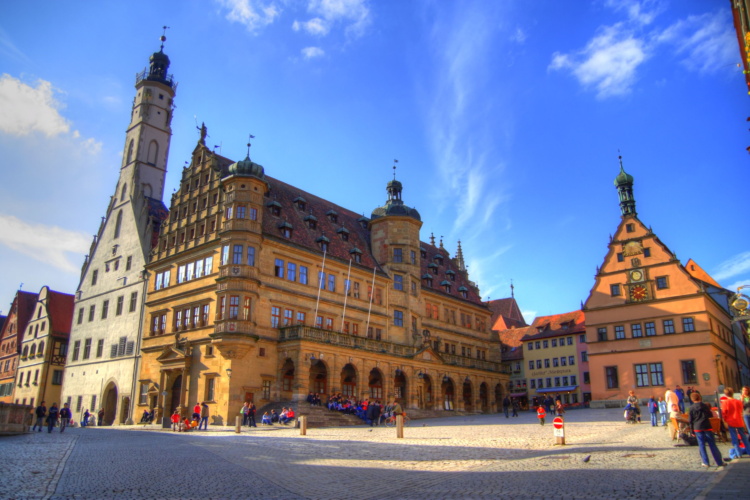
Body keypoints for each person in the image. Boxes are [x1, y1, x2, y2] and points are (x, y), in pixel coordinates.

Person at [689, 392, 725, 468]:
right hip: (707, 426)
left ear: (692, 399)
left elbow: (690, 420)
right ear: (699, 397)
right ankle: (719, 462)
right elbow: (710, 415)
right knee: (712, 444)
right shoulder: (705, 406)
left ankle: (705, 462)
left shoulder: (691, 408)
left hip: (697, 427)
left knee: (701, 445)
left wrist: (692, 431)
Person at [721, 387, 750, 459]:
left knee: (734, 438)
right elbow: (741, 411)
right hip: (739, 421)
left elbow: (724, 413)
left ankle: (738, 453)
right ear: (732, 393)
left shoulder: (725, 402)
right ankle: (749, 451)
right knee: (744, 437)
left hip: (731, 422)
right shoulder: (738, 402)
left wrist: (725, 421)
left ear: (725, 394)